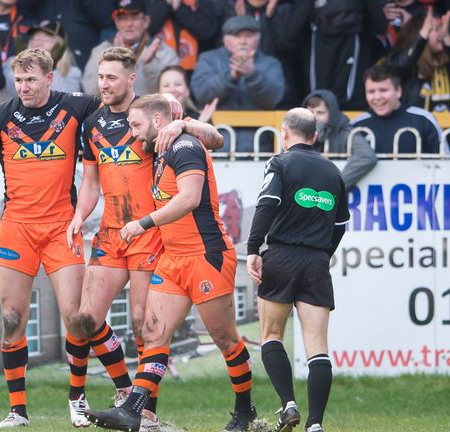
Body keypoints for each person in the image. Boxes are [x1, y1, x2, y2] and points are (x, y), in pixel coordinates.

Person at [0, 47, 118, 429]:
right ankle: (18, 410)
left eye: (31, 79)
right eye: (19, 80)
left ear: (50, 78)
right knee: (12, 317)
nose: (24, 87)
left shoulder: (76, 106)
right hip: (16, 226)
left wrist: (170, 113)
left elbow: (123, 103)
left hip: (60, 227)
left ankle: (77, 398)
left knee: (78, 318)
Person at [86, 94, 257, 432]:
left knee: (225, 339)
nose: (133, 134)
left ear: (159, 121)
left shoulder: (184, 147)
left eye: (136, 125)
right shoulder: (161, 148)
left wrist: (143, 223)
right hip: (173, 258)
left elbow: (190, 198)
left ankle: (244, 412)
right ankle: (133, 412)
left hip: (206, 256)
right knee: (153, 334)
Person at [245, 108, 350, 432]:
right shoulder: (333, 171)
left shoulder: (280, 163)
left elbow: (267, 204)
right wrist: (322, 253)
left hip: (281, 256)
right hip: (316, 262)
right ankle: (315, 424)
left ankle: (288, 404)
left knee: (271, 336)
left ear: (285, 133)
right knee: (317, 345)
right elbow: (341, 224)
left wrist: (252, 248)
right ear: (315, 136)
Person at [190, 14, 285, 153]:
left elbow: (274, 97)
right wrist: (231, 76)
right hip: (216, 146)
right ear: (225, 40)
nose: (243, 41)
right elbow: (201, 93)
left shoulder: (270, 64)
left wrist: (252, 74)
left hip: (259, 147)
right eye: (237, 36)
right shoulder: (208, 60)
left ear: (258, 39)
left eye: (248, 35)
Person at [81, 0, 179, 98]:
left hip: (150, 112)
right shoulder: (100, 51)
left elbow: (169, 97)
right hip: (113, 112)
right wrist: (114, 61)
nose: (129, 24)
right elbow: (90, 92)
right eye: (123, 18)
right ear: (116, 22)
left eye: (135, 18)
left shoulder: (164, 53)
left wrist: (150, 64)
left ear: (146, 22)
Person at [351, 64, 447, 155]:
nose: (377, 97)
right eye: (371, 92)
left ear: (398, 91)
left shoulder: (424, 120)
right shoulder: (356, 125)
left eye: (383, 90)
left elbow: (445, 163)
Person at [302, 89, 377, 191]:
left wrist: (335, 185)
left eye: (320, 112)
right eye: (309, 112)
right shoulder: (300, 132)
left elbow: (367, 156)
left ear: (332, 113)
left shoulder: (344, 131)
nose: (314, 117)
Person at [0, 20, 82, 104]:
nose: (38, 44)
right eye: (35, 38)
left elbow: (67, 102)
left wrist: (51, 65)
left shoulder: (73, 73)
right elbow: (7, 93)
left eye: (46, 40)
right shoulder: (12, 62)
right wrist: (25, 64)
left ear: (59, 46)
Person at [386, 8, 450, 112]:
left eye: (444, 28)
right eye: (437, 28)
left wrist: (447, 38)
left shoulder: (445, 60)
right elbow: (398, 68)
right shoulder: (409, 64)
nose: (441, 32)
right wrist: (423, 34)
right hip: (418, 126)